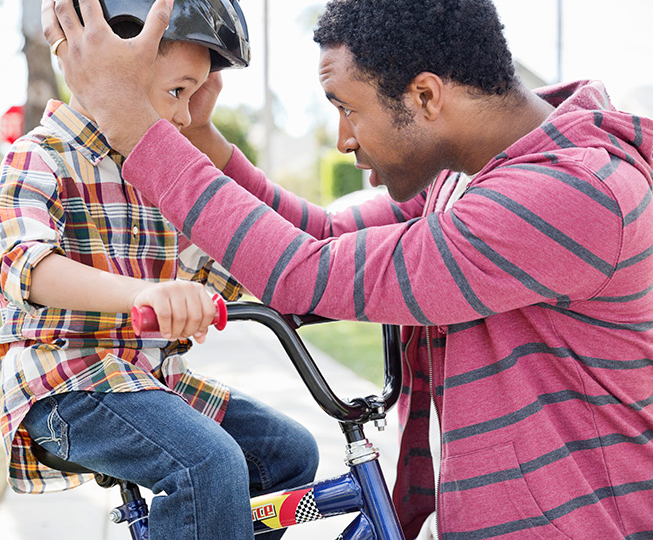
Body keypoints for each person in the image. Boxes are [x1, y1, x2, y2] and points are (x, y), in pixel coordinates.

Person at [43, 0, 653, 538]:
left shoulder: (572, 195)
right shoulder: (474, 180)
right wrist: (202, 140)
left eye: (348, 108)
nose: (342, 139)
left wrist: (134, 126)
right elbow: (326, 236)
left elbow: (308, 272)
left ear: (425, 96)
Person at [0, 1, 319, 539]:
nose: (185, 116)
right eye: (178, 92)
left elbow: (224, 266)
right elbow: (24, 265)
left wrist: (312, 287)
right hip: (67, 383)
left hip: (149, 381)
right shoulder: (41, 154)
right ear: (108, 63)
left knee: (289, 455)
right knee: (205, 465)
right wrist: (147, 293)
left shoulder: (151, 177)